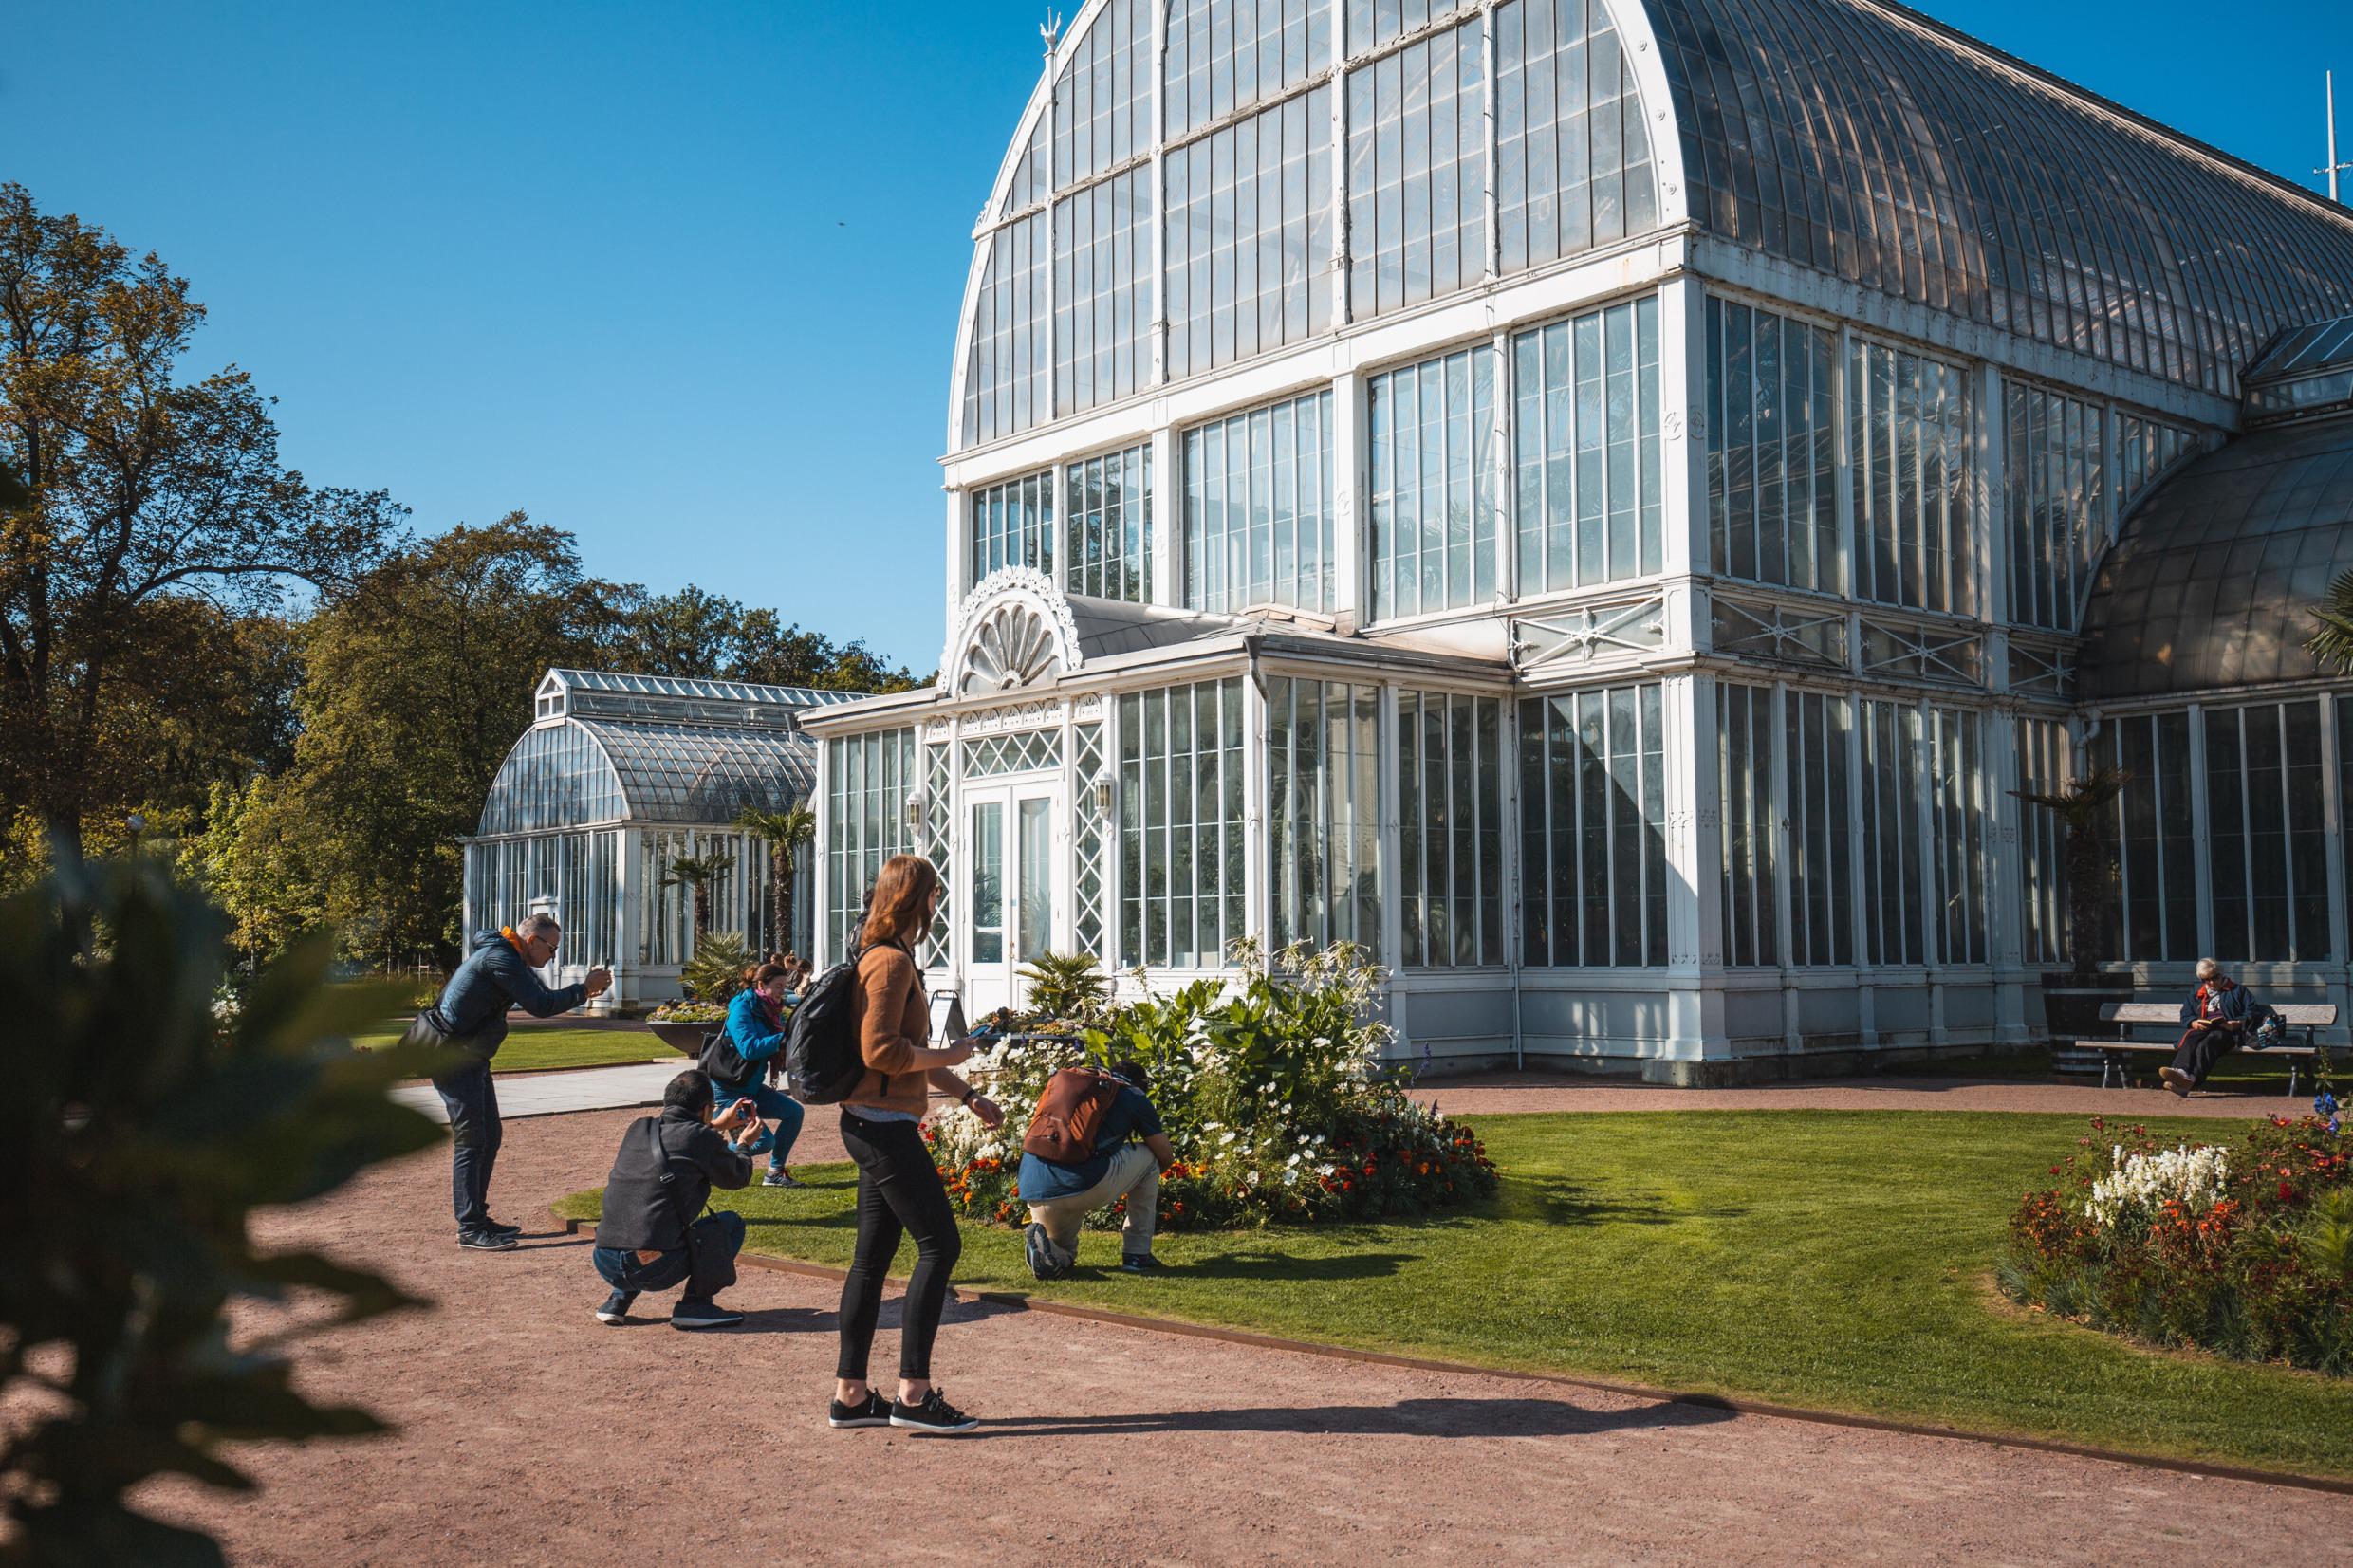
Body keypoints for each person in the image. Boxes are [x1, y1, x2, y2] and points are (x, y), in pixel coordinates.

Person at [827, 856, 1005, 1436]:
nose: (938, 904)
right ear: (914, 898)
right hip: (880, 1127)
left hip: (876, 1120)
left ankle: (851, 1397)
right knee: (940, 1246)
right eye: (934, 894)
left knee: (872, 1260)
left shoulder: (892, 959)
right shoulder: (889, 963)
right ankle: (913, 1394)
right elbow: (882, 1052)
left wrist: (968, 1093)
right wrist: (951, 1055)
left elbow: (909, 1058)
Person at [417, 913, 611, 1250]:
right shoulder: (500, 958)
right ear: (533, 941)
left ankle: (477, 1217)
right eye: (552, 949)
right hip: (452, 1056)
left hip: (471, 1057)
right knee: (472, 1140)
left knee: (489, 1136)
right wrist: (585, 989)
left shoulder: (510, 957)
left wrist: (585, 989)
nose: (553, 957)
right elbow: (541, 1006)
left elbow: (544, 996)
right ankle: (470, 1228)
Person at [591, 1069, 757, 1329]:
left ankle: (618, 1300)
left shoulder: (637, 1128)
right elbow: (737, 1177)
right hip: (655, 1267)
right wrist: (744, 1144)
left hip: (605, 1259)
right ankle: (695, 1305)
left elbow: (678, 1139)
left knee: (642, 1220)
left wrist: (715, 1126)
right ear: (705, 1109)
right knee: (730, 1224)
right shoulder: (700, 1137)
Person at [1019, 1060, 1176, 1280]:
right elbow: (1165, 1155)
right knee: (1150, 1158)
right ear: (1141, 1083)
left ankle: (1048, 1253)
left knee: (1065, 1254)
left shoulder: (1073, 1089)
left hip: (1035, 1187)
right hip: (1083, 1183)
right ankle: (1137, 1255)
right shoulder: (1134, 1095)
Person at [712, 963, 806, 1187]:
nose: (783, 991)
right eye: (778, 986)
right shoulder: (742, 1008)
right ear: (761, 985)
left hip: (750, 1087)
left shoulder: (770, 1009)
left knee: (794, 1112)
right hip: (730, 1090)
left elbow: (784, 1039)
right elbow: (749, 1048)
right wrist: (785, 1038)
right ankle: (708, 1156)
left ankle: (774, 1173)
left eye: (785, 986)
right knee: (763, 1142)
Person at [2162, 957, 2253, 1096]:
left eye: (2215, 977)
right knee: (2192, 1036)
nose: (2211, 982)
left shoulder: (2238, 991)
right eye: (2206, 979)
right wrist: (2194, 1022)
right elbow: (2186, 1015)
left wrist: (2237, 1023)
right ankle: (2181, 1072)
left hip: (2229, 1033)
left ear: (2221, 974)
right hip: (2204, 1029)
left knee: (2208, 1043)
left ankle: (2190, 1080)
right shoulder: (2197, 995)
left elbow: (2252, 1012)